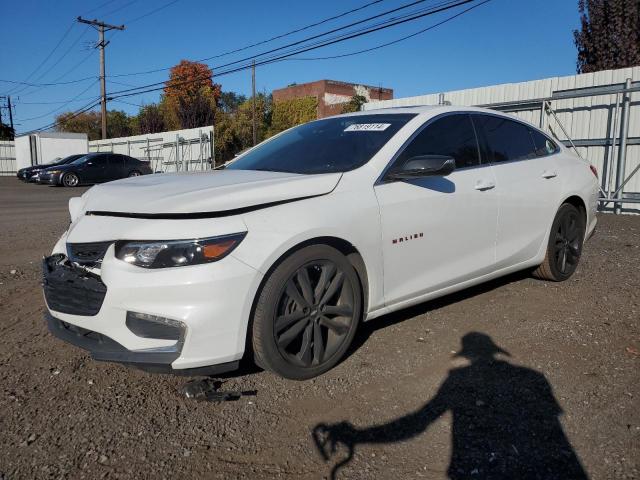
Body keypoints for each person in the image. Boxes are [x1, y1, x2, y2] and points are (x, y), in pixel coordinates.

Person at [313, 332, 588, 480]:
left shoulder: (458, 378)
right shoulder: (533, 377)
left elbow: (419, 422)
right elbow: (549, 426)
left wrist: (358, 435)